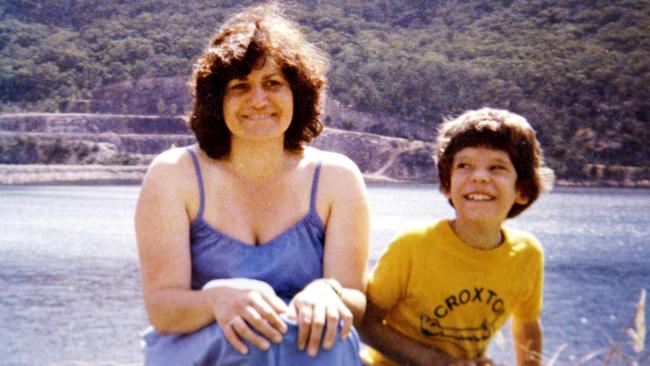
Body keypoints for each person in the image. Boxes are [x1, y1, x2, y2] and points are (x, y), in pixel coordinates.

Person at [135, 4, 369, 365]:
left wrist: (329, 291)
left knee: (325, 340)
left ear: (299, 94)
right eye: (239, 87)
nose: (258, 100)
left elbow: (356, 301)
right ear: (216, 101)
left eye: (273, 83)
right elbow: (163, 310)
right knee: (256, 344)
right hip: (208, 351)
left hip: (307, 354)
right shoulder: (174, 174)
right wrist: (216, 299)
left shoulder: (337, 179)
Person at [360, 108, 555, 366]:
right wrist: (438, 362)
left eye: (497, 167)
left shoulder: (527, 254)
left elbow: (527, 325)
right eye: (464, 165)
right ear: (446, 185)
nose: (479, 176)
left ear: (522, 190)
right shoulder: (414, 245)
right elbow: (366, 323)